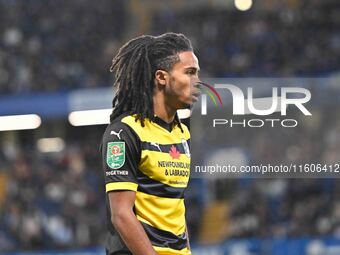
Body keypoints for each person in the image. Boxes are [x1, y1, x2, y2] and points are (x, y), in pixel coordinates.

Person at [101, 32, 201, 255]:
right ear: (161, 77)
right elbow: (121, 215)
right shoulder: (124, 133)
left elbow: (176, 208)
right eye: (190, 73)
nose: (197, 81)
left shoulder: (181, 133)